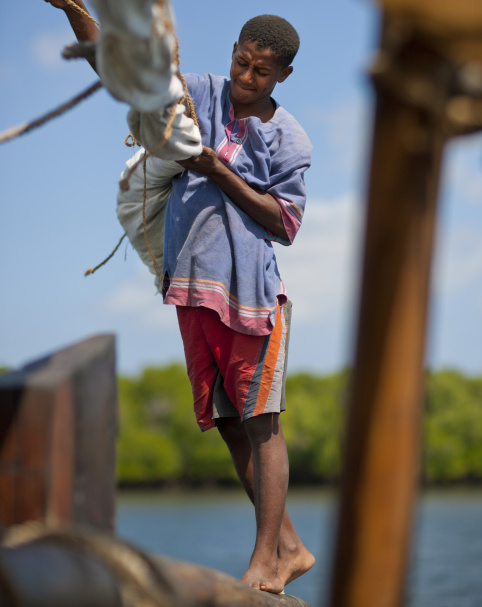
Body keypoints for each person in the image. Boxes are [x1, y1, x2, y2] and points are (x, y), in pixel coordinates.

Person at [45, 0, 314, 594]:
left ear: (282, 77)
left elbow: (285, 223)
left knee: (263, 422)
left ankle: (266, 560)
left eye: (261, 72)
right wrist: (72, 9)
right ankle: (289, 545)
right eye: (242, 63)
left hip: (248, 294)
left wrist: (219, 171)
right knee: (228, 423)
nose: (246, 77)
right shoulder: (199, 93)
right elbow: (126, 71)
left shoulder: (288, 138)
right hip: (191, 286)